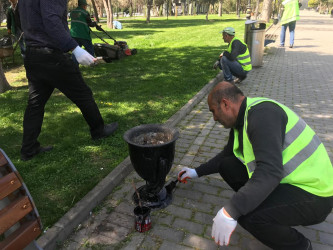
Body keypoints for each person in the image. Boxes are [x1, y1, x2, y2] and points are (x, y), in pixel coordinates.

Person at [178, 81, 333, 249]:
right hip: (290, 182)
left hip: (316, 193)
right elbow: (226, 155)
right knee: (227, 165)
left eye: (213, 112)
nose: (214, 118)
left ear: (225, 104)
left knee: (248, 215)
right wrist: (196, 172)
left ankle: (301, 246)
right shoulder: (243, 118)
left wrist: (232, 209)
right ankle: (267, 212)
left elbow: (270, 172)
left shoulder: (262, 115)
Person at [18, 0, 118, 161]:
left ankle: (28, 149)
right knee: (83, 94)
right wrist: (75, 48)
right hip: (51, 55)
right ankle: (99, 131)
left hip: (32, 53)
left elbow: (20, 18)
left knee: (35, 103)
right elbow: (51, 20)